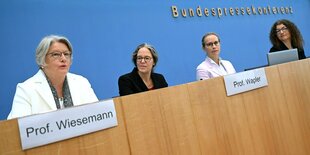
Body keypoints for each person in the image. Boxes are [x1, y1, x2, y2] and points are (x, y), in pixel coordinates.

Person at [7, 35, 98, 119]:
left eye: (66, 54)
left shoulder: (81, 82)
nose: (63, 59)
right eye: (56, 54)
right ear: (42, 59)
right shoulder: (26, 89)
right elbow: (15, 129)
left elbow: (97, 116)